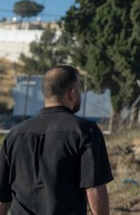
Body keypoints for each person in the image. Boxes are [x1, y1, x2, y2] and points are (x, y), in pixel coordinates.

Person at [0, 65, 113, 215]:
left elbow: (2, 198)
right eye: (79, 87)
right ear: (72, 93)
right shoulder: (85, 131)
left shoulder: (13, 136)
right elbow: (94, 189)